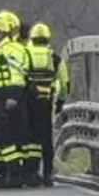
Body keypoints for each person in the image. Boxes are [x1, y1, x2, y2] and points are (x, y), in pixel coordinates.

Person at [24, 22, 70, 186]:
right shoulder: (54, 58)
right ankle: (47, 174)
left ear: (32, 38)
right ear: (47, 39)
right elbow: (65, 83)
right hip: (46, 103)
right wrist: (60, 102)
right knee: (45, 138)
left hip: (28, 102)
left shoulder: (25, 55)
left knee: (29, 137)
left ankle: (30, 172)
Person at [0, 11, 30, 188]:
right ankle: (10, 172)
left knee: (7, 136)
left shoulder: (8, 50)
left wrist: (12, 96)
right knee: (12, 136)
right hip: (10, 95)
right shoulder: (11, 48)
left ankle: (13, 173)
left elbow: (15, 75)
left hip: (8, 95)